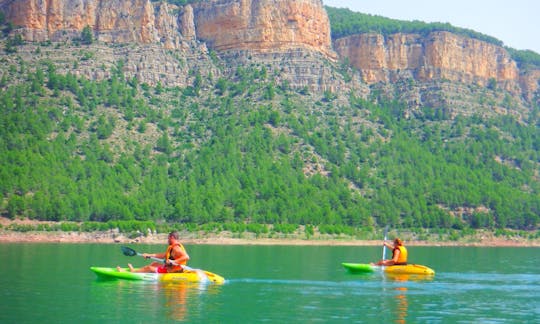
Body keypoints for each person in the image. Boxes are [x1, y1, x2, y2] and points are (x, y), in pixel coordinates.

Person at [118, 231, 190, 273]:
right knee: (154, 264)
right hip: (170, 268)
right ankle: (139, 271)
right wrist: (149, 255)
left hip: (174, 271)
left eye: (168, 238)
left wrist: (172, 261)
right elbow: (163, 255)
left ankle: (133, 271)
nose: (167, 240)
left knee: (149, 268)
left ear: (172, 237)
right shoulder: (172, 247)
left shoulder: (176, 248)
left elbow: (186, 257)